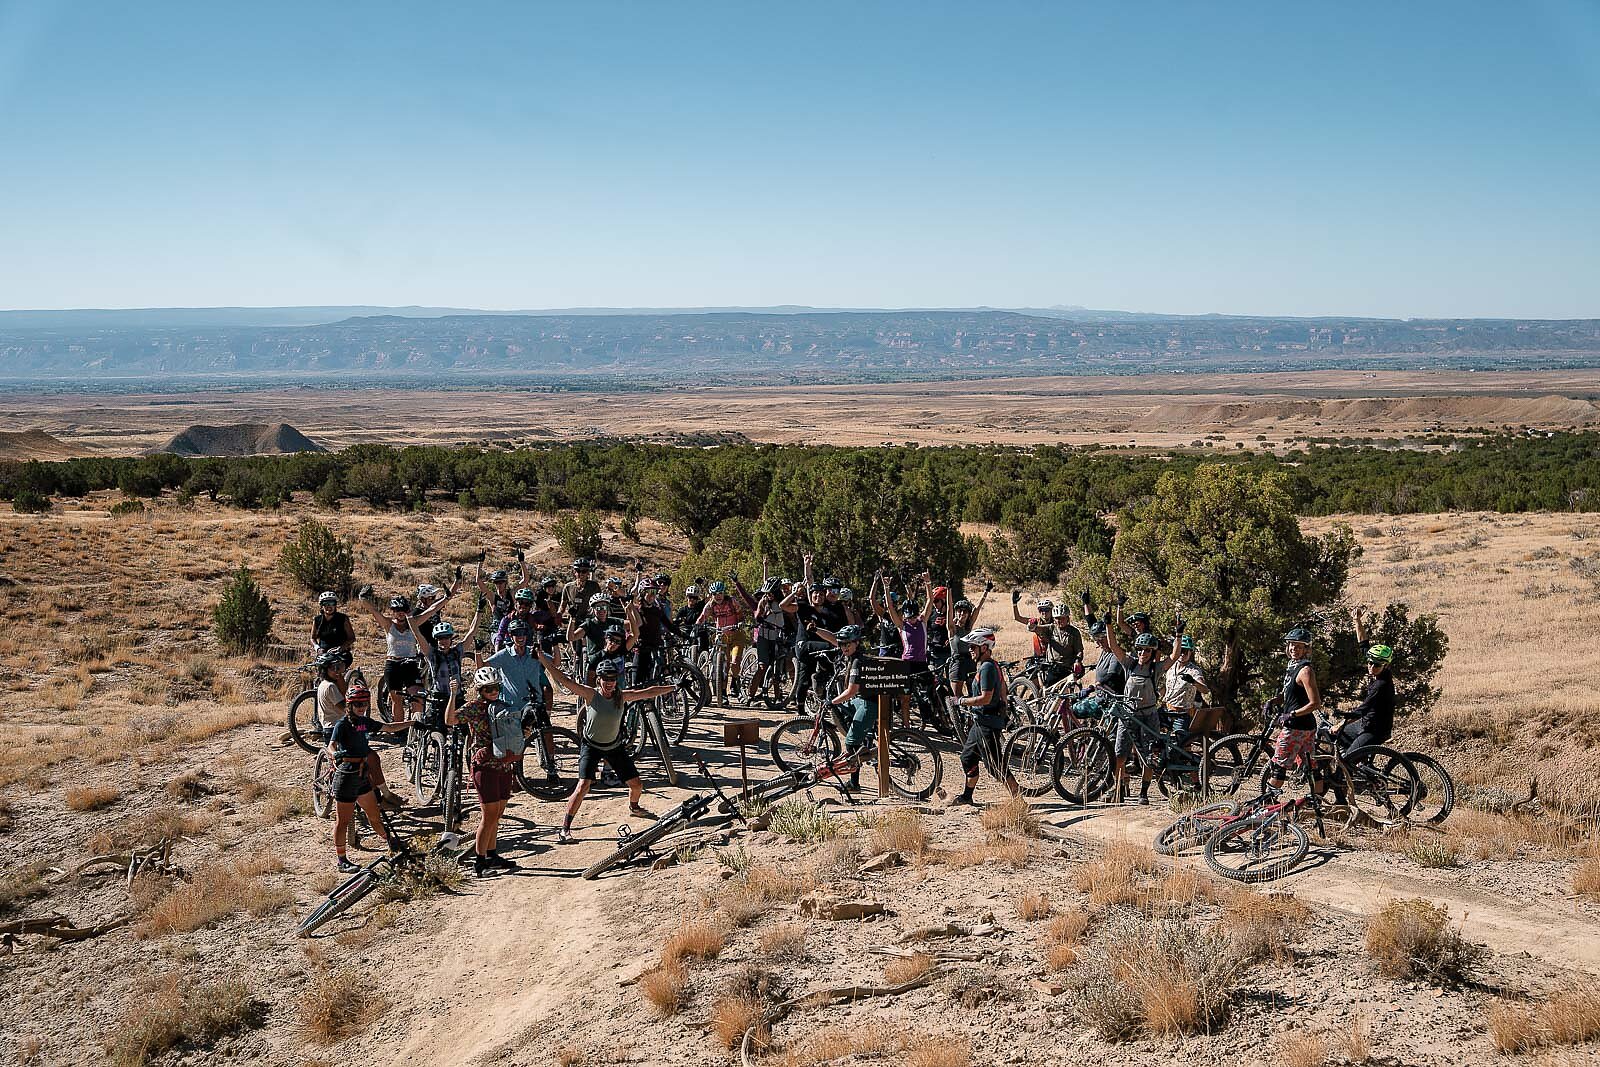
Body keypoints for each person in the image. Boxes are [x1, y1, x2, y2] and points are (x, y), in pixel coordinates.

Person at [536, 652, 677, 844]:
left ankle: (634, 808)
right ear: (599, 680)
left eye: (613, 679)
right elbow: (562, 678)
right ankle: (565, 829)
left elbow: (649, 691)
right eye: (606, 679)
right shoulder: (591, 694)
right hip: (591, 747)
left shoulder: (622, 696)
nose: (610, 683)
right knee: (583, 785)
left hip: (614, 747)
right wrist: (543, 659)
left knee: (637, 786)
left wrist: (675, 686)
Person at [445, 666, 528, 877]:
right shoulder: (475, 707)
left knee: (497, 814)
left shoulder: (503, 706)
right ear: (480, 689)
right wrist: (453, 694)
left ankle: (492, 855)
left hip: (503, 765)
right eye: (489, 688)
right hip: (485, 768)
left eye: (496, 687)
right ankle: (479, 863)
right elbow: (450, 720)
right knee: (489, 816)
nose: (493, 692)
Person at [327, 682, 411, 872]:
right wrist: (335, 754)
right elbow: (331, 745)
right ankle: (342, 860)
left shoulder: (365, 722)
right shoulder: (342, 725)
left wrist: (412, 723)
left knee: (374, 815)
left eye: (364, 704)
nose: (361, 708)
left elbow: (388, 728)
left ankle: (391, 842)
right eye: (357, 704)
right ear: (349, 705)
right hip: (347, 776)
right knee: (343, 821)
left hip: (362, 776)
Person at [949, 627, 1017, 805]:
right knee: (968, 758)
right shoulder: (992, 665)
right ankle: (967, 796)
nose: (970, 650)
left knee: (996, 767)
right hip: (981, 722)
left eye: (973, 647)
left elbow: (986, 698)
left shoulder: (987, 668)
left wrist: (961, 701)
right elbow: (1002, 688)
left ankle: (1018, 799)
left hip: (987, 724)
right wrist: (1003, 704)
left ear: (984, 648)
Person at [1105, 620, 1169, 804]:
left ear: (1152, 652)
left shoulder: (1155, 669)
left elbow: (1173, 657)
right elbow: (1113, 646)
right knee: (1120, 754)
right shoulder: (1129, 664)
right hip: (1128, 714)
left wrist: (1178, 637)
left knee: (1149, 755)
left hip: (1149, 716)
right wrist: (1109, 625)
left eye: (1147, 650)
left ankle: (1143, 792)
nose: (1142, 653)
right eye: (1140, 649)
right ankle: (1119, 790)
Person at [1264, 628, 1323, 794]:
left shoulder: (1305, 671)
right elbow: (1291, 694)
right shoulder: (1292, 666)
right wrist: (1274, 701)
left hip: (1296, 727)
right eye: (1291, 645)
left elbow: (1315, 703)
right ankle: (1317, 801)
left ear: (1306, 649)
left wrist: (1292, 714)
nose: (1293, 649)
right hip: (1304, 727)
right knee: (1311, 767)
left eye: (1298, 646)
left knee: (1278, 765)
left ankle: (1267, 802)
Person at [1339, 609, 1395, 753]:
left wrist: (1341, 722)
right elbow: (1363, 643)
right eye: (1369, 662)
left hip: (1376, 730)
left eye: (1376, 665)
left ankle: (1350, 768)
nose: (1371, 667)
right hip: (1365, 724)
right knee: (1338, 737)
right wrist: (1357, 620)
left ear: (1385, 665)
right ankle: (1361, 765)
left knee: (1346, 760)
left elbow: (1363, 710)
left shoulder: (1381, 685)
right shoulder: (1376, 665)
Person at [697, 580, 749, 705]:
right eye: (715, 594)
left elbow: (740, 614)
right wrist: (697, 626)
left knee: (735, 661)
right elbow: (702, 618)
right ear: (711, 595)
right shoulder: (710, 605)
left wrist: (740, 622)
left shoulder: (732, 601)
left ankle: (735, 683)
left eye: (720, 593)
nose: (718, 596)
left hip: (736, 635)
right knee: (722, 666)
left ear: (723, 593)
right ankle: (723, 693)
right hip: (721, 636)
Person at [1162, 629, 1210, 753]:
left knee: (1181, 747)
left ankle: (1191, 769)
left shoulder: (1194, 671)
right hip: (1165, 710)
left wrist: (1193, 681)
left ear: (1190, 652)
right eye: (1180, 651)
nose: (1182, 654)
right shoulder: (1170, 667)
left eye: (1186, 651)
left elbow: (1205, 690)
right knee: (1153, 736)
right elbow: (1166, 688)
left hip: (1181, 714)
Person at [311, 591, 356, 665]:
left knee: (335, 670)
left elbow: (352, 638)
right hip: (324, 655)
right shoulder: (317, 620)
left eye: (332, 603)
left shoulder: (343, 619)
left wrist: (341, 648)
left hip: (341, 654)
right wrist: (318, 648)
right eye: (325, 604)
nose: (329, 606)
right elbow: (313, 638)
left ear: (335, 605)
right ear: (321, 606)